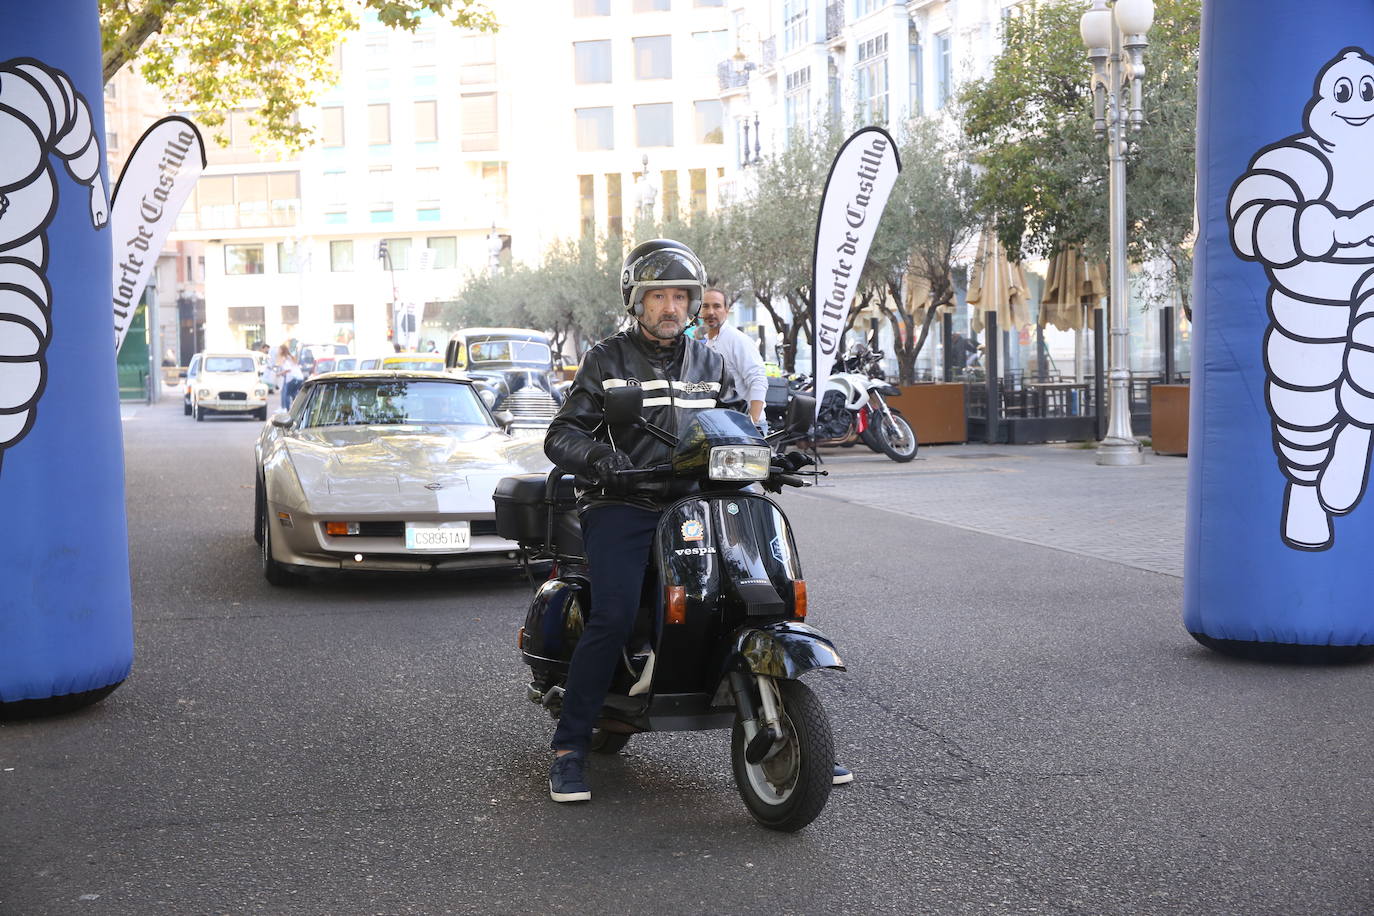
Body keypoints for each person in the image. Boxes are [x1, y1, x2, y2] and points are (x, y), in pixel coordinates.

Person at [542, 239, 742, 803]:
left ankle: (785, 721)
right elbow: (562, 434)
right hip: (623, 502)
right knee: (613, 613)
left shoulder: (711, 362)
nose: (672, 307)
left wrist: (774, 451)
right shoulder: (607, 359)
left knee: (751, 592)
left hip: (694, 503)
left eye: (681, 295)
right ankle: (569, 749)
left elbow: (729, 428)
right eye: (659, 295)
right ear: (637, 300)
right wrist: (602, 458)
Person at [699, 285, 855, 788]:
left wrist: (758, 435)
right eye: (702, 306)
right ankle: (572, 741)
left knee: (756, 566)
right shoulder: (685, 348)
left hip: (731, 452)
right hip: (678, 466)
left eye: (713, 306)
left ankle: (804, 739)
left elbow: (754, 385)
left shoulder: (735, 344)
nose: (707, 313)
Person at [698, 287, 769, 431]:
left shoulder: (737, 340)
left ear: (726, 309)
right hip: (718, 427)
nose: (711, 312)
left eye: (717, 306)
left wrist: (752, 423)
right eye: (706, 306)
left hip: (743, 426)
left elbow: (758, 379)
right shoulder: (705, 343)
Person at [274, 343, 303, 410]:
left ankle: (287, 410)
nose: (278, 351)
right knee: (294, 394)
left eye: (279, 349)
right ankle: (298, 409)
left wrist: (279, 374)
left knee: (287, 394)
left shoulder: (284, 358)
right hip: (299, 378)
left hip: (293, 378)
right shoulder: (290, 357)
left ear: (282, 350)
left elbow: (288, 369)